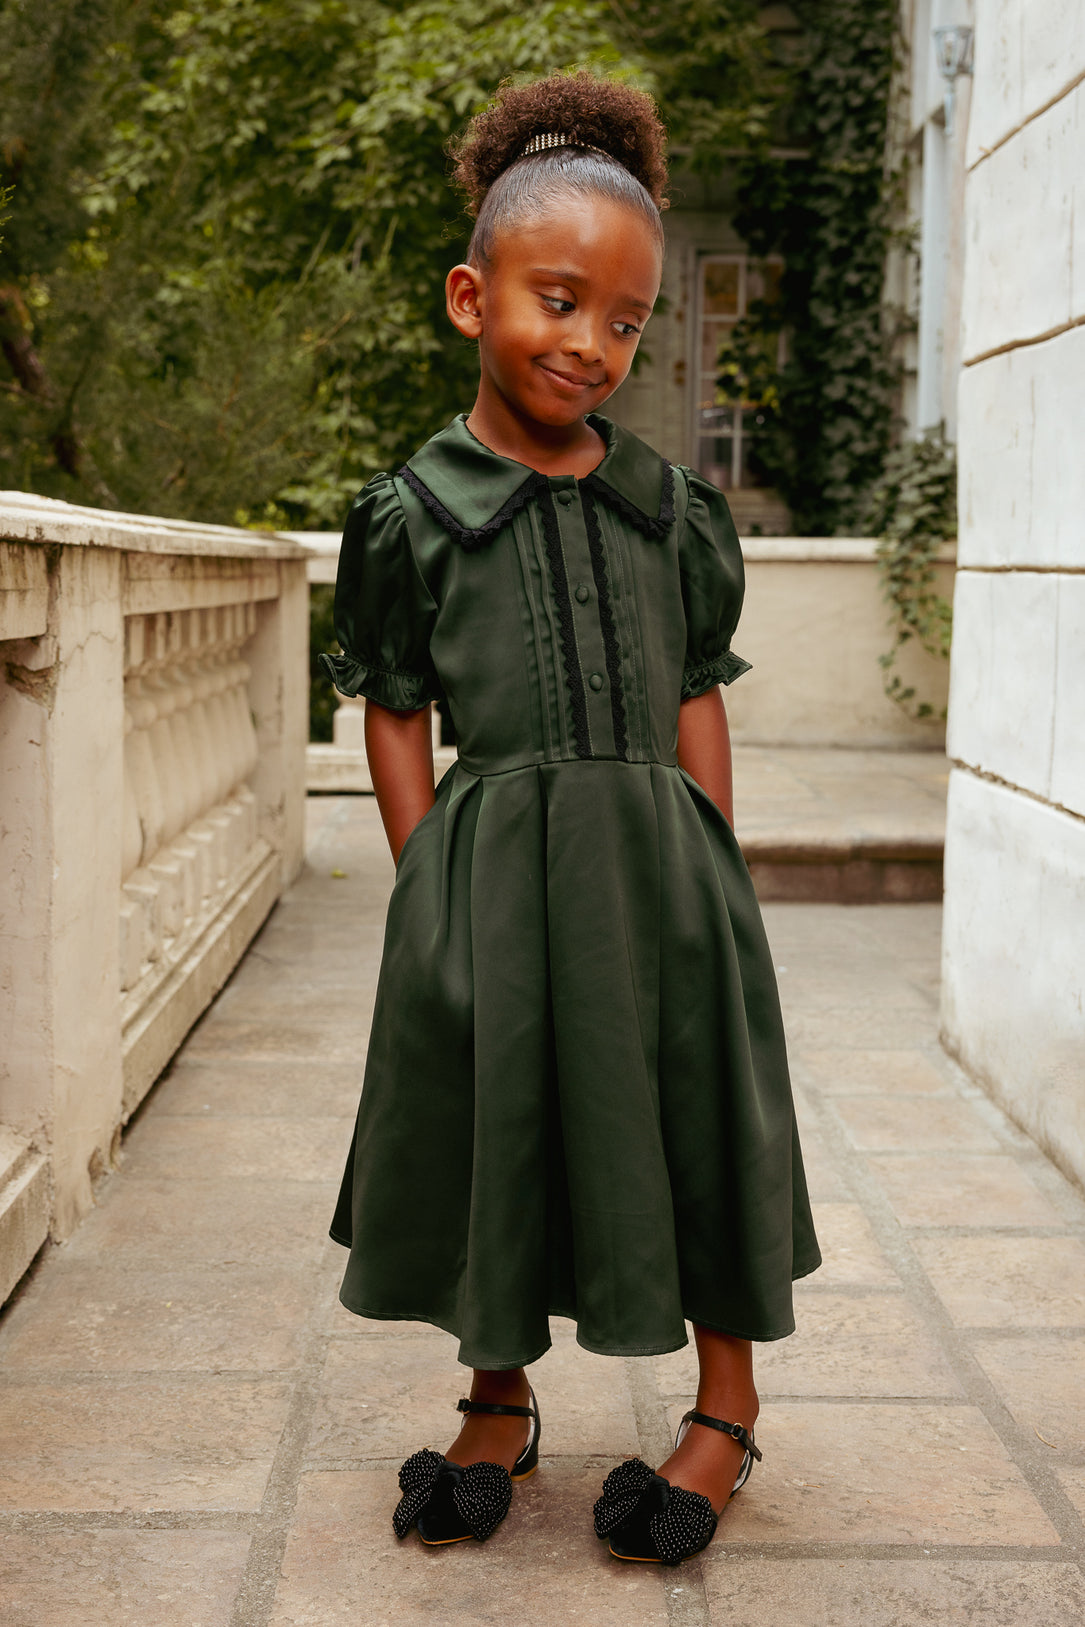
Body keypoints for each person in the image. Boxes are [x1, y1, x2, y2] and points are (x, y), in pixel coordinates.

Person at [320, 70, 821, 1568]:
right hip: (493, 874)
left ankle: (721, 1409)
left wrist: (708, 862)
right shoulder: (413, 511)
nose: (592, 346)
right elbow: (394, 702)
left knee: (699, 1119)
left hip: (663, 876)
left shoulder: (672, 509)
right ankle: (495, 1398)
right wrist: (429, 884)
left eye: (625, 320)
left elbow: (689, 690)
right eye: (559, 303)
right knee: (499, 1115)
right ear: (471, 299)